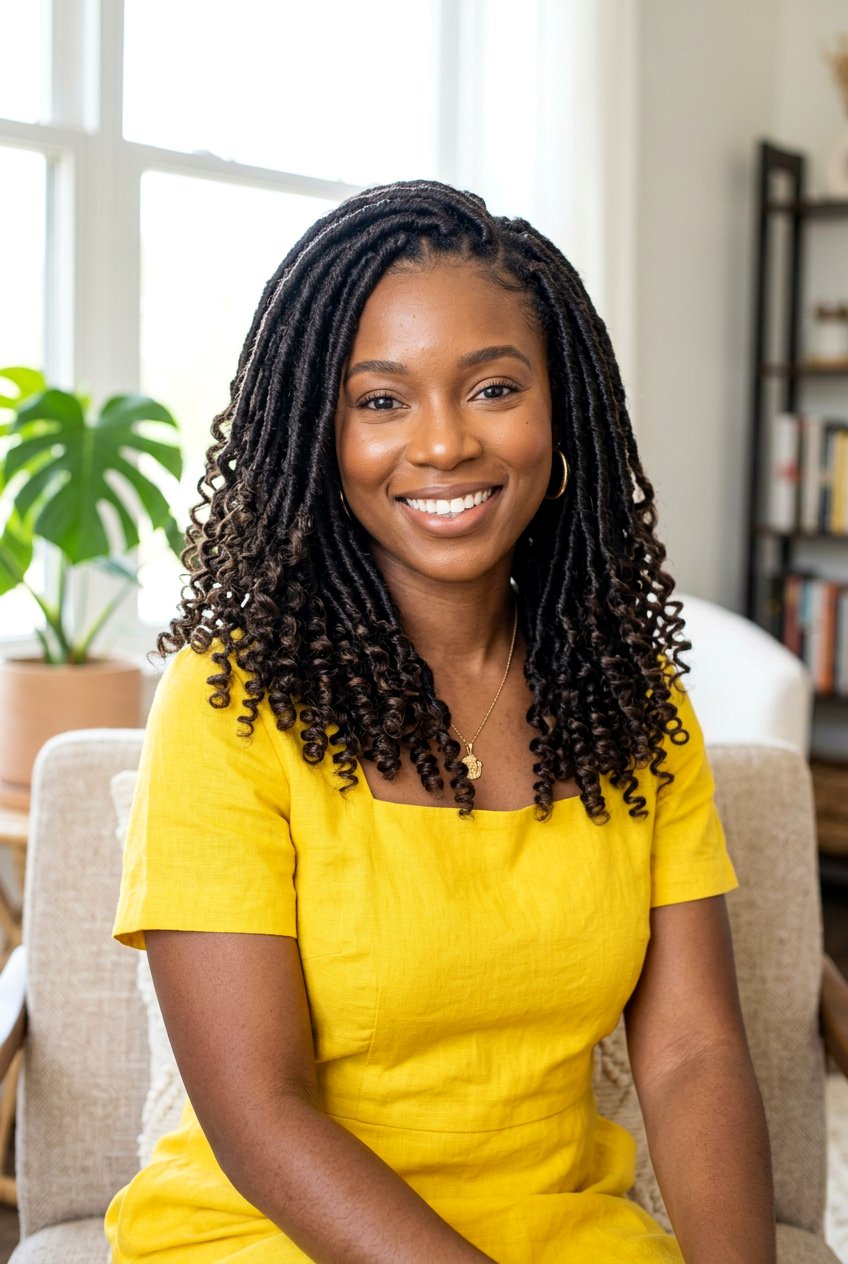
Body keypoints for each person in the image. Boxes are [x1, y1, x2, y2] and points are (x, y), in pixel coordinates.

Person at [105, 180, 776, 1263]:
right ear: (317, 437)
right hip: (281, 1235)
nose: (443, 444)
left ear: (564, 412)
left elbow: (692, 1051)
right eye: (380, 401)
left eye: (493, 387)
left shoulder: (631, 696)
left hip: (564, 1234)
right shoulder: (230, 703)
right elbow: (260, 1115)